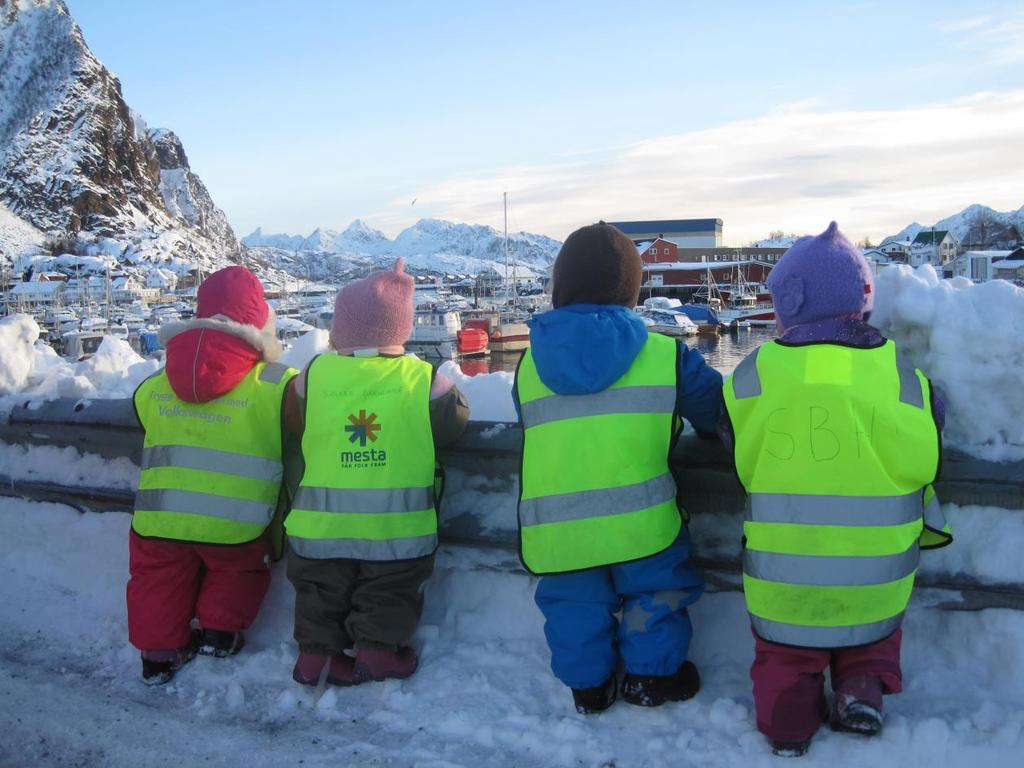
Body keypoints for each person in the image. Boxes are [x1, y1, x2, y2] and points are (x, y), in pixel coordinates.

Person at [721, 222, 952, 757]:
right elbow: (931, 433)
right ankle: (862, 688)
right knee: (870, 639)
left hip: (785, 569)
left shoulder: (754, 373)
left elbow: (729, 437)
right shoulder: (901, 376)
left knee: (786, 652)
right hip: (879, 571)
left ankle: (787, 722)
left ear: (790, 305)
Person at [514, 222, 721, 714]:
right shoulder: (666, 355)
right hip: (642, 522)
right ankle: (652, 679)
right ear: (632, 289)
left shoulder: (528, 364)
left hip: (559, 529)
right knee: (656, 593)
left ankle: (588, 688)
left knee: (572, 603)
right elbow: (718, 414)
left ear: (560, 285)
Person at [284, 258, 469, 687]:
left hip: (319, 529)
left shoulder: (313, 374)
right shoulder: (423, 379)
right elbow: (454, 422)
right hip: (396, 528)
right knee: (389, 590)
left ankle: (314, 658)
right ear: (400, 329)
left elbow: (295, 420)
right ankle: (377, 652)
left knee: (318, 592)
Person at [128, 266, 297, 685]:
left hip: (159, 518)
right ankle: (220, 634)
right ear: (260, 322)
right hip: (235, 521)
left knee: (156, 580)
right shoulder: (277, 383)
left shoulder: (158, 382)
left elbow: (140, 413)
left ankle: (158, 655)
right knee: (237, 572)